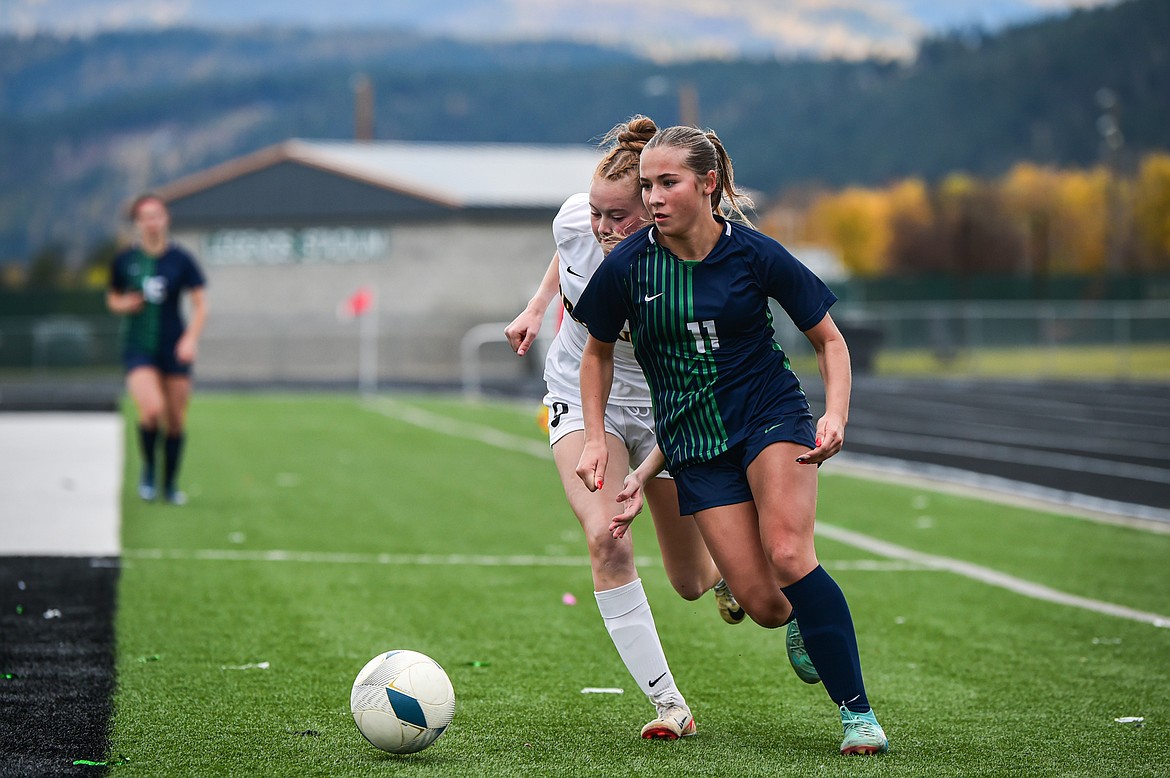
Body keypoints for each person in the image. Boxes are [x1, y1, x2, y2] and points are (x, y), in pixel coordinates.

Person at [572, 125, 889, 756]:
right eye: (647, 186)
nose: (654, 198)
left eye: (669, 183)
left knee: (790, 551)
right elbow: (596, 355)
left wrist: (836, 417)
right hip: (694, 448)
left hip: (770, 417)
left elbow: (830, 340)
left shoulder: (755, 254)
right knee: (767, 606)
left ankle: (858, 715)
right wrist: (593, 439)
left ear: (708, 184)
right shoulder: (627, 267)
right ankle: (798, 618)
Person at [506, 116, 815, 741]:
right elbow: (567, 251)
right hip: (583, 396)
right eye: (598, 213)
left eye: (619, 217)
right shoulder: (578, 220)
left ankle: (776, 590)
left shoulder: (695, 254)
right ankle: (669, 705)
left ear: (656, 209)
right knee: (606, 538)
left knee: (692, 582)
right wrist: (538, 306)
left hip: (670, 406)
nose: (604, 228)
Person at [106, 194, 207, 506]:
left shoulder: (181, 259)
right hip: (139, 347)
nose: (152, 222)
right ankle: (149, 468)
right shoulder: (126, 261)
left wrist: (190, 338)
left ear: (166, 219)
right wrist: (124, 304)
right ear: (137, 223)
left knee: (175, 419)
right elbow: (112, 298)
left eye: (157, 215)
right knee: (151, 410)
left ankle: (170, 483)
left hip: (173, 347)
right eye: (145, 216)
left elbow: (201, 303)